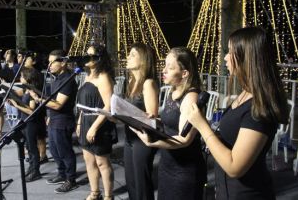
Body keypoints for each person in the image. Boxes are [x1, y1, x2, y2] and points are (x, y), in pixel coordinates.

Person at [187, 27, 289, 200]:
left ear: (246, 58)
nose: (225, 57)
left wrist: (203, 127)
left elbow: (235, 167)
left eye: (230, 52)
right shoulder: (244, 94)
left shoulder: (260, 107)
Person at [132, 47, 206, 200]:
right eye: (164, 65)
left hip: (184, 170)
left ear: (184, 73)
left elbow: (184, 139)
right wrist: (152, 120)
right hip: (167, 163)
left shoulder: (191, 97)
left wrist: (153, 143)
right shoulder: (173, 92)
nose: (164, 70)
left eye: (170, 67)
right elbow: (171, 123)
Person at [30, 49, 78, 193]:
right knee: (55, 151)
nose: (49, 64)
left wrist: (38, 99)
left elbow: (58, 104)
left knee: (65, 151)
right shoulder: (57, 78)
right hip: (54, 119)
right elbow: (53, 101)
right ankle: (62, 174)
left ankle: (71, 179)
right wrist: (49, 116)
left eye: (52, 61)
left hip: (63, 121)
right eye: (48, 61)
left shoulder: (68, 80)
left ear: (63, 62)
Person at [76, 44, 117, 200]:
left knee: (102, 162)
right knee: (89, 160)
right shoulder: (87, 76)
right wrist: (80, 123)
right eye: (86, 54)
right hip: (86, 120)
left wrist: (93, 127)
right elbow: (83, 105)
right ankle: (95, 192)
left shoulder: (104, 76)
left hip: (99, 122)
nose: (87, 58)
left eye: (91, 55)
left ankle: (108, 196)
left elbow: (108, 105)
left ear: (99, 59)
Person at [123, 43, 158, 200]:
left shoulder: (148, 83)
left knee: (142, 184)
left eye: (132, 55)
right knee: (131, 182)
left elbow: (152, 117)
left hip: (142, 139)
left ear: (143, 60)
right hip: (129, 136)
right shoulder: (131, 82)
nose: (127, 57)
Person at [8, 67, 44, 182]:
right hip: (25, 121)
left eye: (22, 76)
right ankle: (31, 168)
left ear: (27, 78)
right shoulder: (26, 90)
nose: (20, 78)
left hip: (31, 123)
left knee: (32, 148)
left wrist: (16, 105)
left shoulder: (33, 91)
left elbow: (31, 111)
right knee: (28, 146)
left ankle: (36, 171)